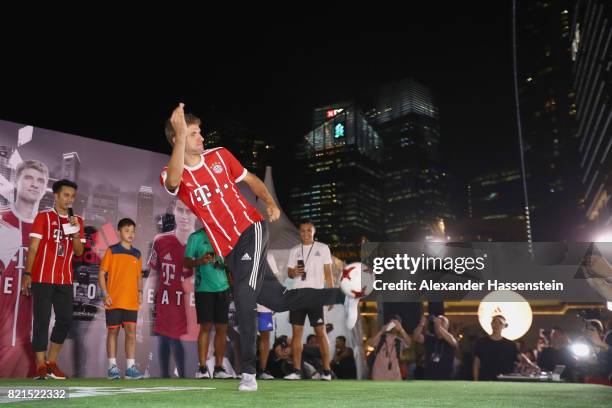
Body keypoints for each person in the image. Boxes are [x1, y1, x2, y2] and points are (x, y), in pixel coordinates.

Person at [161, 103, 360, 391]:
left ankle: (249, 372)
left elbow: (251, 179)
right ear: (179, 137)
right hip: (228, 251)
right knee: (279, 300)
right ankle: (345, 294)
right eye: (193, 133)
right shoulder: (172, 173)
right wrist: (180, 135)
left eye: (199, 132)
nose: (201, 137)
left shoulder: (220, 155)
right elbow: (173, 181)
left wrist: (268, 202)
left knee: (243, 293)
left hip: (250, 229)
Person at [21, 179, 85, 379]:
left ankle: (51, 362)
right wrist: (27, 273)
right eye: (66, 195)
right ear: (56, 196)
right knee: (42, 321)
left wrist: (75, 232)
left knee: (65, 319)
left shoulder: (77, 221)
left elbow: (79, 252)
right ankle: (40, 364)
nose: (69, 199)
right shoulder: (44, 217)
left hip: (65, 279)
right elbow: (33, 248)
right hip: (42, 278)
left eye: (73, 196)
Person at [0, 160, 48, 377]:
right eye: (28, 177)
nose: (34, 184)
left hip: (31, 335)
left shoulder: (49, 229)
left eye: (40, 180)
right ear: (16, 182)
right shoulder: (2, 221)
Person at [144, 199, 196, 378]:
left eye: (189, 211)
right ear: (173, 210)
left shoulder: (205, 243)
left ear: (196, 213)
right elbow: (152, 277)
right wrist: (144, 308)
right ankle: (166, 378)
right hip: (167, 304)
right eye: (180, 210)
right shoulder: (161, 240)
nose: (184, 216)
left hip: (192, 309)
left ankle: (195, 373)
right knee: (165, 339)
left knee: (178, 343)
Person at [285, 220, 334, 381]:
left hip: (316, 295)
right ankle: (297, 371)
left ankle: (327, 371)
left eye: (308, 231)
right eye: (302, 231)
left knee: (320, 332)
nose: (305, 233)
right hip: (298, 295)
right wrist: (294, 272)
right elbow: (289, 273)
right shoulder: (294, 250)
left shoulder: (323, 248)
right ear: (299, 233)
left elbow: (328, 273)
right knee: (296, 333)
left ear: (314, 232)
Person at [98, 218, 144, 379]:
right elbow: (101, 274)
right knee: (113, 332)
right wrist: (105, 294)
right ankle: (112, 367)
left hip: (131, 302)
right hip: (114, 300)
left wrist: (140, 292)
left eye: (133, 231)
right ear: (119, 232)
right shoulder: (112, 251)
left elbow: (139, 277)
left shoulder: (137, 254)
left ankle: (131, 368)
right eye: (127, 230)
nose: (130, 234)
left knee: (131, 333)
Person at [184, 227, 232, 379]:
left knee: (222, 328)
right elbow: (186, 262)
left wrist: (223, 265)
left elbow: (231, 260)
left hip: (223, 287)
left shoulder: (224, 234)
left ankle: (218, 368)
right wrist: (200, 261)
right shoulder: (196, 237)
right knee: (205, 327)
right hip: (204, 288)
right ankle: (203, 368)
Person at [473, 315, 519, 381]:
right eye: (494, 321)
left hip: (504, 380)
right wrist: (476, 380)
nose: (496, 325)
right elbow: (476, 363)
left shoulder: (511, 344)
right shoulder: (481, 342)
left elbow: (516, 363)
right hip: (485, 379)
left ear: (504, 326)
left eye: (500, 323)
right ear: (491, 324)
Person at [413, 314, 457, 380]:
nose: (437, 325)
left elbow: (453, 342)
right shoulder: (429, 338)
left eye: (442, 323)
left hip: (446, 378)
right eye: (436, 324)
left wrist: (439, 327)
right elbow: (415, 337)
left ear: (447, 327)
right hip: (429, 376)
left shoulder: (449, 339)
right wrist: (421, 324)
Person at [369, 316, 411, 380]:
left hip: (394, 375)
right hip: (378, 374)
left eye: (396, 324)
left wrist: (401, 329)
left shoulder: (399, 341)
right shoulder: (381, 339)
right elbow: (371, 343)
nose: (393, 326)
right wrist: (381, 331)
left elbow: (409, 343)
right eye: (391, 324)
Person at [256, 304, 275, 380]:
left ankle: (262, 370)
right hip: (248, 301)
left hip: (265, 304)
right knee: (248, 335)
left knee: (265, 336)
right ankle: (246, 369)